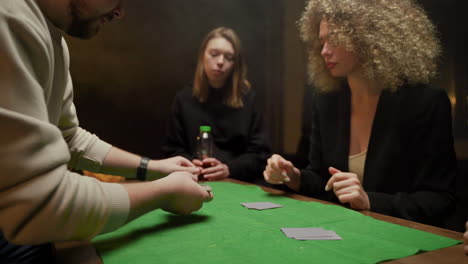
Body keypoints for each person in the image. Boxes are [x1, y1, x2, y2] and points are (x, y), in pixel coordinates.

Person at [0, 0, 213, 262]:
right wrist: (164, 193)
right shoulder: (8, 15)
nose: (120, 12)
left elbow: (69, 137)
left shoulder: (54, 39)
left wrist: (154, 167)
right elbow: (39, 204)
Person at [264, 0, 456, 226]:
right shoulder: (326, 101)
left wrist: (370, 201)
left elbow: (440, 200)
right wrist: (295, 177)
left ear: (369, 38)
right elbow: (322, 179)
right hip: (342, 232)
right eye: (322, 41)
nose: (324, 51)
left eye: (334, 40)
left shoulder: (425, 103)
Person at [162, 27, 271, 183]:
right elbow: (171, 150)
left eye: (229, 57)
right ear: (202, 57)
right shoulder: (183, 99)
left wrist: (229, 168)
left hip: (237, 183)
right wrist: (191, 163)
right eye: (214, 54)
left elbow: (262, 155)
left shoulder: (249, 99)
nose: (220, 62)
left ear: (235, 64)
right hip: (193, 180)